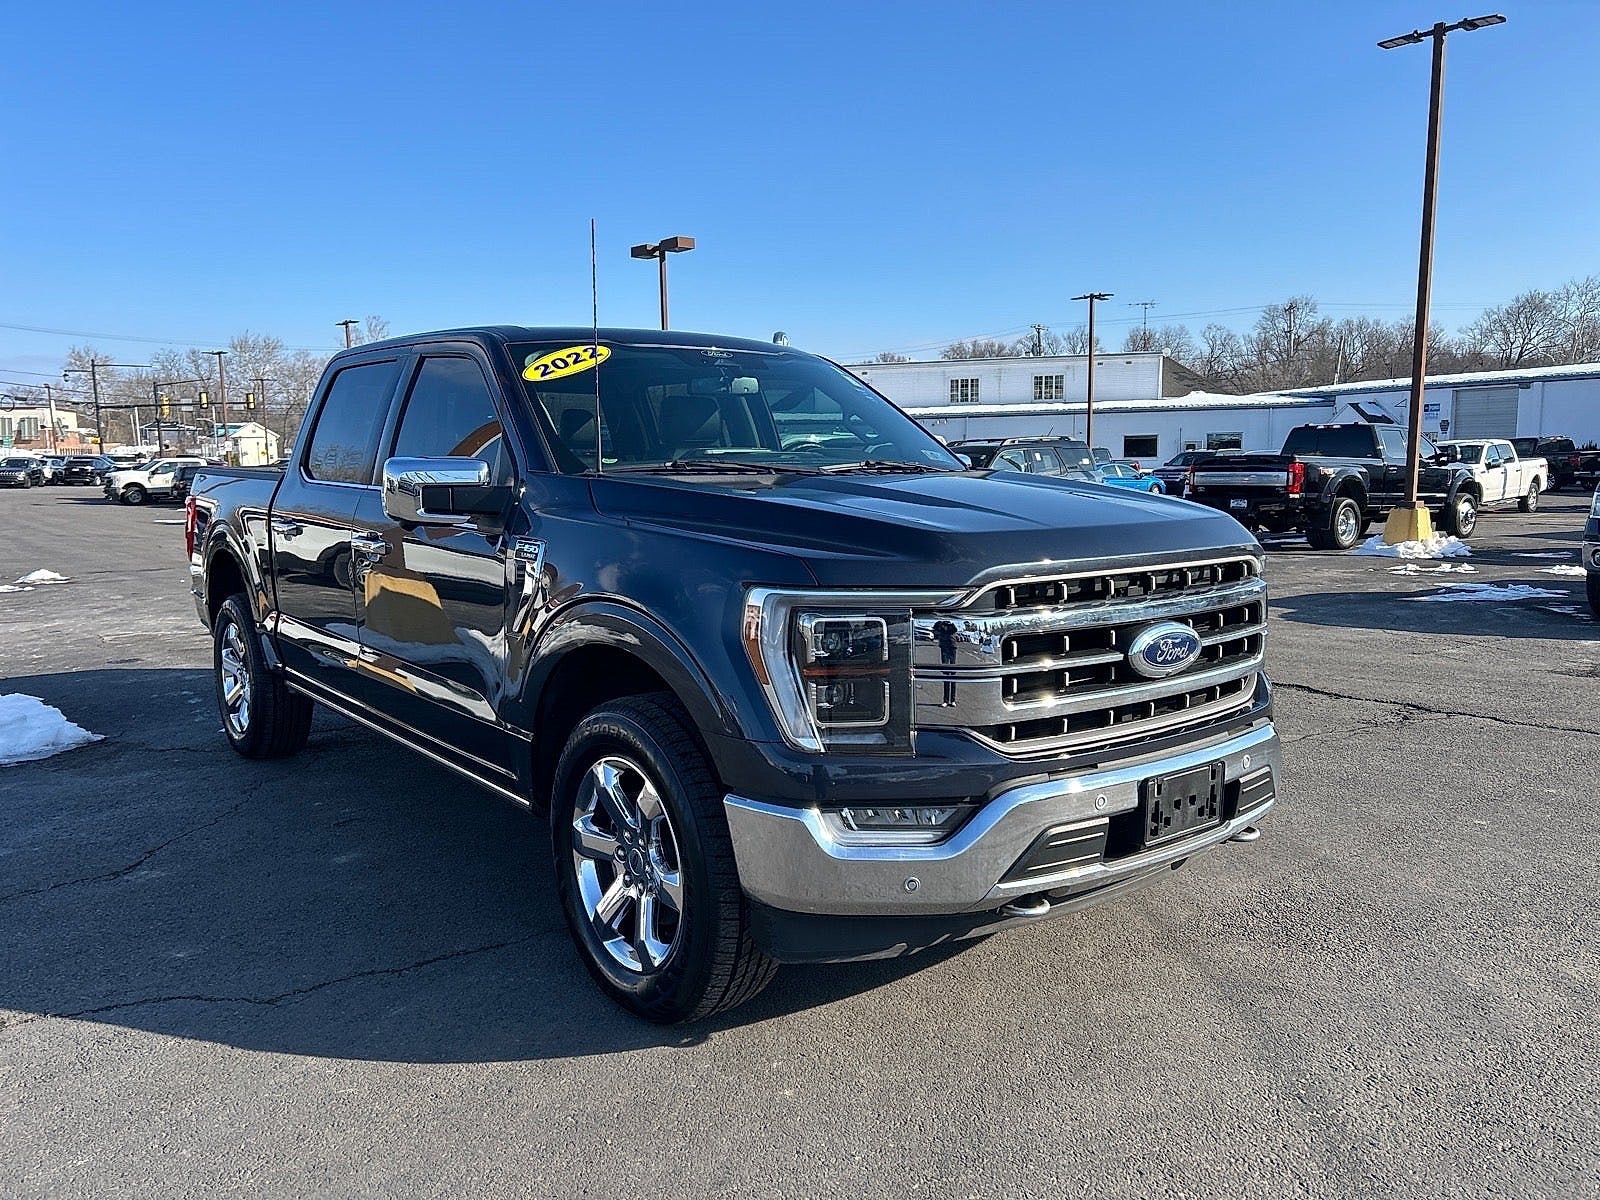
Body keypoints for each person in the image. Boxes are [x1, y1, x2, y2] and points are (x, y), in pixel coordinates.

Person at [932, 619, 959, 707]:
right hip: (944, 647)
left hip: (952, 647)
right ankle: (946, 700)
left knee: (953, 674)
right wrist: (941, 624)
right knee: (946, 674)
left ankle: (953, 700)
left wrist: (951, 623)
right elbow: (935, 629)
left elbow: (955, 630)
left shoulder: (952, 626)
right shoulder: (940, 624)